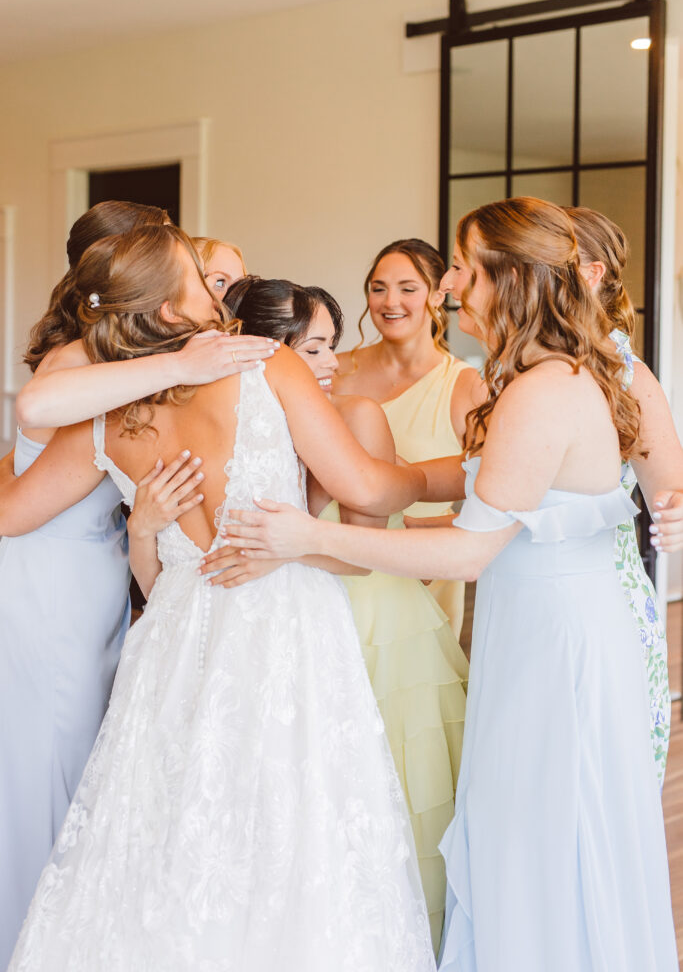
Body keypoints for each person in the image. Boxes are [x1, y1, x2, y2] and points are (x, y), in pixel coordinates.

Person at [216, 198, 678, 971]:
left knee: (540, 825)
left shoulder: (542, 391)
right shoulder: (538, 377)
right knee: (519, 818)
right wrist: (376, 480)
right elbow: (467, 477)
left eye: (462, 266)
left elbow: (468, 552)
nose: (449, 284)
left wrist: (306, 536)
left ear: (510, 277)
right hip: (539, 624)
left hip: (556, 644)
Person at [6, 224, 434, 971]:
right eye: (204, 283)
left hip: (175, 638)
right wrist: (457, 473)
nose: (223, 293)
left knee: (170, 837)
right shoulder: (265, 366)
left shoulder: (105, 414)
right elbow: (365, 487)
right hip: (282, 629)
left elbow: (11, 512)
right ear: (170, 312)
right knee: (292, 836)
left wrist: (141, 525)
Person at [0, 202, 275, 968]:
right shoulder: (84, 359)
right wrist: (185, 363)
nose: (216, 290)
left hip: (98, 567)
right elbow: (36, 422)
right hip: (47, 580)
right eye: (198, 271)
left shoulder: (124, 357)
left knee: (94, 760)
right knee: (49, 763)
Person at [202, 276, 468, 949]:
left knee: (385, 798)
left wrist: (289, 552)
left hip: (372, 618)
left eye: (330, 348)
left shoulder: (355, 415)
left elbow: (370, 545)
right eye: (313, 349)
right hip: (278, 625)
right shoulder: (228, 421)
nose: (330, 364)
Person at [566, 205, 683, 786]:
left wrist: (676, 515)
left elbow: (672, 490)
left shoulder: (627, 375)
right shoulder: (518, 364)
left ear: (587, 274)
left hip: (601, 594)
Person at [335, 238, 485, 640]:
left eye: (408, 288)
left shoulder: (466, 387)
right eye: (378, 287)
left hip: (421, 575)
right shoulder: (332, 371)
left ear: (438, 294)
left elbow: (491, 492)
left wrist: (417, 529)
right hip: (337, 569)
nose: (390, 302)